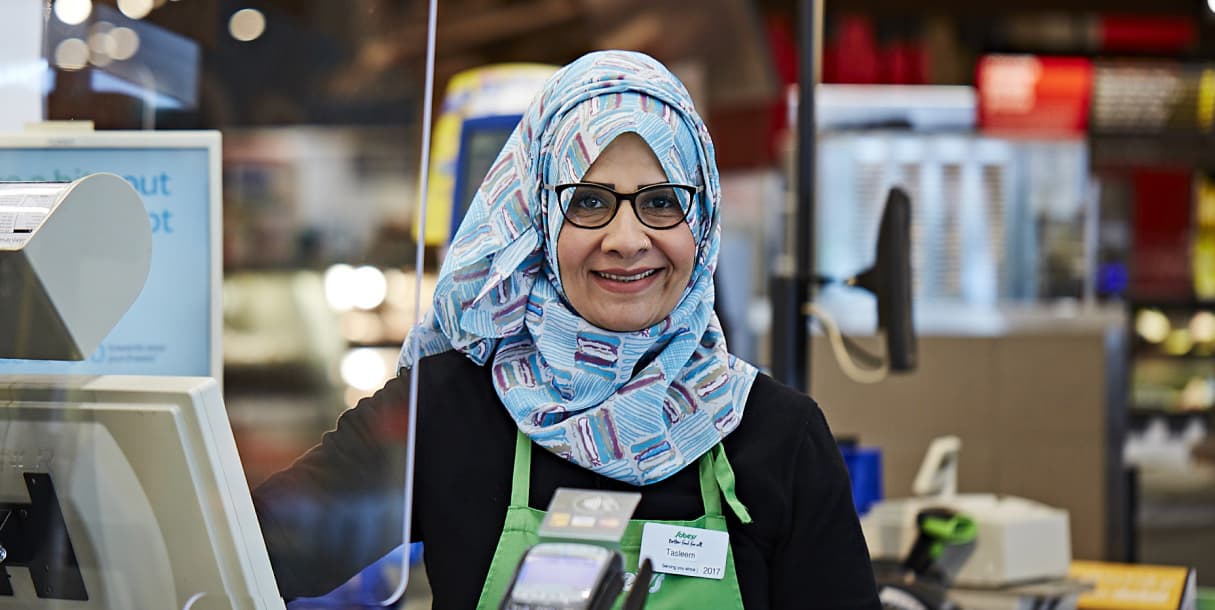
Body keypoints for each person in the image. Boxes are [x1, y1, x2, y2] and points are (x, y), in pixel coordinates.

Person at [252, 50, 880, 609]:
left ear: (704, 220)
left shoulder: (778, 437)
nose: (627, 240)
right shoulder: (445, 410)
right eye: (588, 201)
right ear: (538, 219)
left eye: (661, 201)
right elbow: (253, 554)